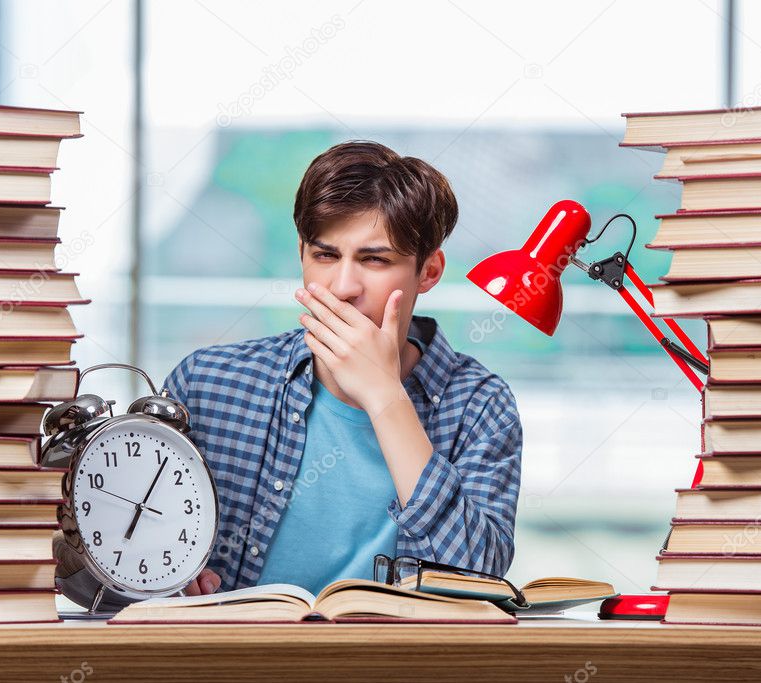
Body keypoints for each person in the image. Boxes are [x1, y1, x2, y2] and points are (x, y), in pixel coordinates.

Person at [161, 141, 523, 595]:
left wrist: (386, 398)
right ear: (302, 255)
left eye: (374, 260)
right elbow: (112, 554)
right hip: (236, 660)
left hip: (396, 663)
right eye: (325, 256)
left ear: (428, 272)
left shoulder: (479, 404)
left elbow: (480, 580)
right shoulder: (206, 384)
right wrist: (163, 575)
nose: (343, 287)